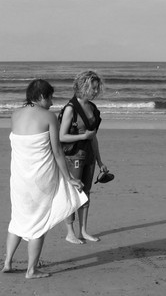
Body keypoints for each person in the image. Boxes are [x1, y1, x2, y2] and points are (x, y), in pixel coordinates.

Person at [4, 79, 88, 279]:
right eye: (50, 97)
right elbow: (58, 152)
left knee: (18, 219)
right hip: (40, 178)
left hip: (18, 177)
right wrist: (69, 178)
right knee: (39, 221)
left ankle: (7, 262)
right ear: (41, 96)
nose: (51, 102)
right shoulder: (48, 117)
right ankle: (31, 270)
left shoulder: (15, 115)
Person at [59, 70, 108, 244]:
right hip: (73, 156)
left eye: (97, 88)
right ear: (83, 87)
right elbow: (61, 136)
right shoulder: (70, 109)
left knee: (86, 193)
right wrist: (82, 137)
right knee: (73, 193)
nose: (96, 91)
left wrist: (100, 161)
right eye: (93, 88)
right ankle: (70, 232)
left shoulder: (93, 108)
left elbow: (93, 136)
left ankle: (84, 231)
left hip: (89, 156)